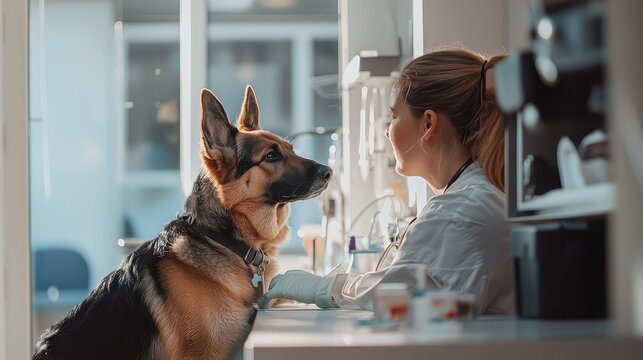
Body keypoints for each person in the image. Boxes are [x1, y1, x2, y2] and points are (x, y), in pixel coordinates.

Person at [259, 48, 514, 314]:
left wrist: (324, 288)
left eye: (393, 116)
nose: (386, 130)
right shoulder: (477, 194)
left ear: (428, 124)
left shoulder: (459, 212)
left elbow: (396, 293)